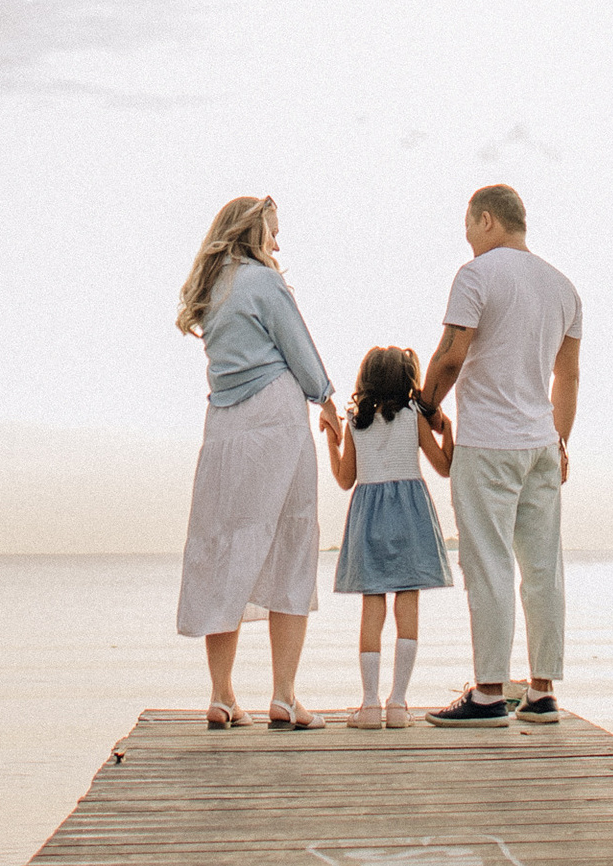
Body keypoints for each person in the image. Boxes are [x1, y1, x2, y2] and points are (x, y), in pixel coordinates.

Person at [174, 193, 338, 728]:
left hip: (223, 425)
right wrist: (327, 398)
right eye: (272, 231)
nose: (277, 242)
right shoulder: (263, 282)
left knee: (224, 544)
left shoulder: (210, 290)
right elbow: (300, 349)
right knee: (291, 540)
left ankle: (222, 695)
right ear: (252, 233)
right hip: (273, 415)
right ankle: (285, 695)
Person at [417, 183, 579, 726]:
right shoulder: (564, 288)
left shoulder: (476, 276)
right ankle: (542, 692)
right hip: (539, 443)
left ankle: (487, 692)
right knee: (543, 568)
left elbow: (450, 354)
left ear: (487, 219)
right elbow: (568, 375)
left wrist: (424, 404)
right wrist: (560, 439)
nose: (466, 239)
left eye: (468, 227)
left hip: (487, 441)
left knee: (487, 563)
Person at [327, 344, 455, 726]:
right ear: (407, 381)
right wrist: (446, 427)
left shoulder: (354, 422)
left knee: (372, 607)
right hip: (410, 514)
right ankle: (398, 703)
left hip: (369, 515)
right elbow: (445, 467)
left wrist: (330, 445)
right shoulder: (414, 415)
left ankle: (368, 704)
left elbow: (345, 479)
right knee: (407, 604)